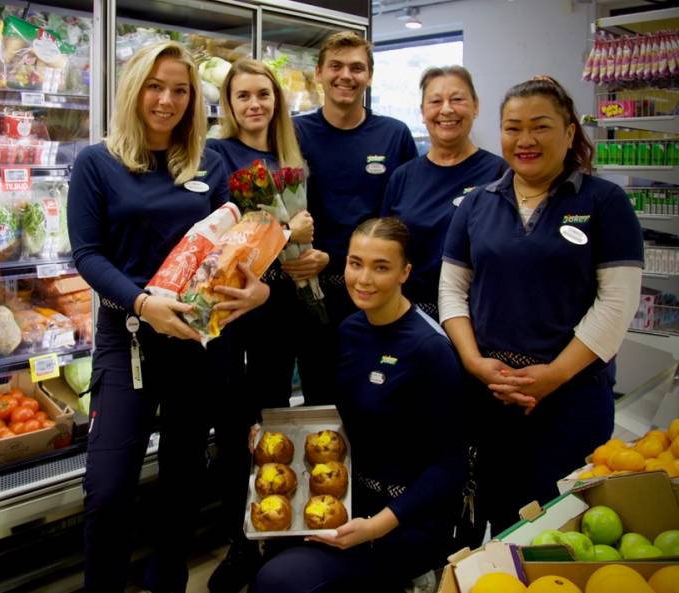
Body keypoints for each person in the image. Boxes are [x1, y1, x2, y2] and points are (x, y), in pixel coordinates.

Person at [67, 41, 270, 593]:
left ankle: (168, 583)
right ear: (134, 90)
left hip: (197, 342)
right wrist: (142, 303)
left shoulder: (210, 162)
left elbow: (237, 245)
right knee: (108, 489)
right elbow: (87, 254)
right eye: (155, 87)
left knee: (181, 484)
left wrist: (257, 288)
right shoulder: (97, 163)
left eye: (181, 90)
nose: (167, 100)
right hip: (129, 338)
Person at [440, 76, 644, 536]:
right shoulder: (477, 204)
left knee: (565, 525)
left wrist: (553, 375)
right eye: (513, 128)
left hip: (570, 398)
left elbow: (616, 303)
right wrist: (474, 362)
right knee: (501, 519)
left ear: (569, 133)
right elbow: (452, 290)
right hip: (491, 395)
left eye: (540, 126)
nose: (525, 140)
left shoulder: (604, 202)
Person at [250, 217, 467, 593]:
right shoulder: (350, 330)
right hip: (351, 497)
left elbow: (451, 465)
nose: (363, 279)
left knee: (280, 581)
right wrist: (276, 436)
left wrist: (378, 526)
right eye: (355, 263)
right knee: (271, 556)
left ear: (405, 272)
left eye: (381, 267)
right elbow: (343, 419)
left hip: (407, 517)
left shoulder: (430, 349)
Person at [203, 58, 309, 593]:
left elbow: (307, 236)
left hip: (279, 307)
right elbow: (221, 232)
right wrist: (287, 229)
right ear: (228, 103)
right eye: (242, 95)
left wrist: (309, 246)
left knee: (272, 420)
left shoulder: (292, 158)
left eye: (263, 94)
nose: (254, 105)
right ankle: (240, 541)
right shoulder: (215, 154)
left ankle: (275, 530)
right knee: (231, 426)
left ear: (276, 100)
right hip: (229, 307)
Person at [292, 31, 418, 404]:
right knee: (319, 399)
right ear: (319, 73)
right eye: (336, 66)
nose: (346, 75)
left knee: (379, 396)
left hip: (374, 294)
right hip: (313, 295)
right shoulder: (295, 133)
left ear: (370, 76)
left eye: (357, 68)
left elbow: (403, 220)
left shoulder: (394, 135)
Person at [381, 66, 506, 319]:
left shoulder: (500, 174)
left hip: (476, 317)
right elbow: (383, 248)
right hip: (409, 316)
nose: (446, 110)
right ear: (422, 112)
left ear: (476, 106)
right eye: (436, 101)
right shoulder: (403, 177)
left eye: (457, 99)